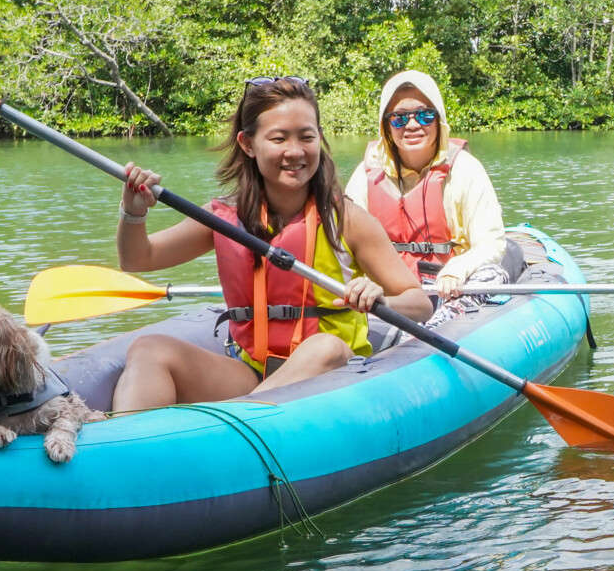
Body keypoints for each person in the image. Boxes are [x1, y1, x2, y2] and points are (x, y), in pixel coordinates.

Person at [109, 77, 431, 410]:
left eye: (307, 137)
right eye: (278, 138)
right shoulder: (224, 217)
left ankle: (237, 424)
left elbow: (420, 303)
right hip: (254, 374)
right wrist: (133, 213)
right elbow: (138, 259)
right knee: (149, 349)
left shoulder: (346, 218)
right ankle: (124, 447)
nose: (295, 151)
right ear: (248, 144)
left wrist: (377, 299)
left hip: (335, 376)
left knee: (325, 347)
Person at [345, 71, 516, 322]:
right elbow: (343, 247)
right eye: (399, 118)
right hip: (392, 295)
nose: (413, 125)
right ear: (386, 125)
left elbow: (492, 244)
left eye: (425, 115)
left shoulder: (464, 169)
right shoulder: (366, 174)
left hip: (451, 290)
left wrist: (457, 269)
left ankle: (433, 332)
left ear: (439, 121)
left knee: (492, 273)